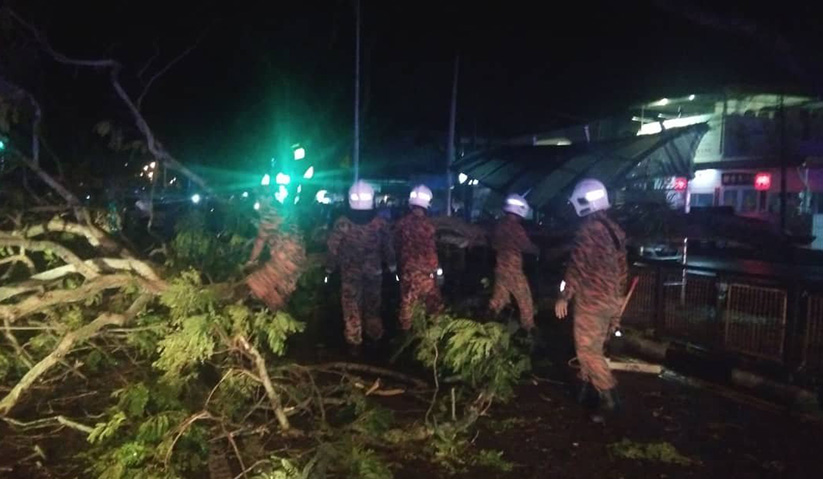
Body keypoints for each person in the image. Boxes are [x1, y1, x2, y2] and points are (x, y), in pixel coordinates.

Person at [555, 179, 627, 418]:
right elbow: (623, 269)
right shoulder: (615, 230)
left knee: (587, 351)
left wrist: (564, 296)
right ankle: (587, 391)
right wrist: (617, 305)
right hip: (610, 300)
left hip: (592, 301)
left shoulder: (588, 230)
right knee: (594, 346)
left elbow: (577, 267)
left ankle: (610, 398)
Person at [326, 180, 397, 352]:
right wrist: (393, 267)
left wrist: (329, 270)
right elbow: (388, 247)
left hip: (350, 274)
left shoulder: (342, 223)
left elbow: (332, 249)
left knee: (351, 306)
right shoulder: (380, 223)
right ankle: (374, 338)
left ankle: (354, 342)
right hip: (374, 273)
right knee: (373, 305)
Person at [394, 184, 443, 331]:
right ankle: (435, 339)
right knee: (435, 309)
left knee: (407, 308)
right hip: (428, 275)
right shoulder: (431, 225)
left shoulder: (401, 224)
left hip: (408, 273)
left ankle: (406, 338)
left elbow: (395, 245)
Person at [245, 195, 306, 311]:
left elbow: (259, 242)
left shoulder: (269, 214)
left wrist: (250, 262)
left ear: (266, 199)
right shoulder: (283, 210)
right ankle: (281, 317)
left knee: (256, 283)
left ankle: (276, 316)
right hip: (298, 256)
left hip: (285, 257)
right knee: (283, 288)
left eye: (260, 200)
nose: (259, 204)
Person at [489, 194, 539, 332]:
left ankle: (486, 325)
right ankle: (528, 329)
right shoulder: (516, 227)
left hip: (500, 268)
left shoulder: (499, 225)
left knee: (498, 299)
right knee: (525, 299)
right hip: (513, 270)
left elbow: (494, 244)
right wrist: (538, 251)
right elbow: (526, 245)